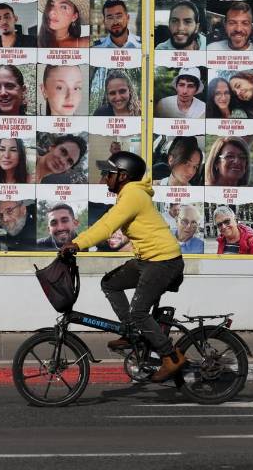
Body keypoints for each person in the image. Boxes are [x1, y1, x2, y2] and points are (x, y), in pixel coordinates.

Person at [53, 153, 187, 380]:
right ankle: (131, 332)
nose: (105, 178)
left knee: (139, 312)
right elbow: (107, 222)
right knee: (110, 283)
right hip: (149, 260)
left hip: (163, 261)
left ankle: (171, 356)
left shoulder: (133, 194)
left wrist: (77, 243)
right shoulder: (129, 194)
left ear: (123, 176)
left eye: (109, 174)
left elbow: (107, 225)